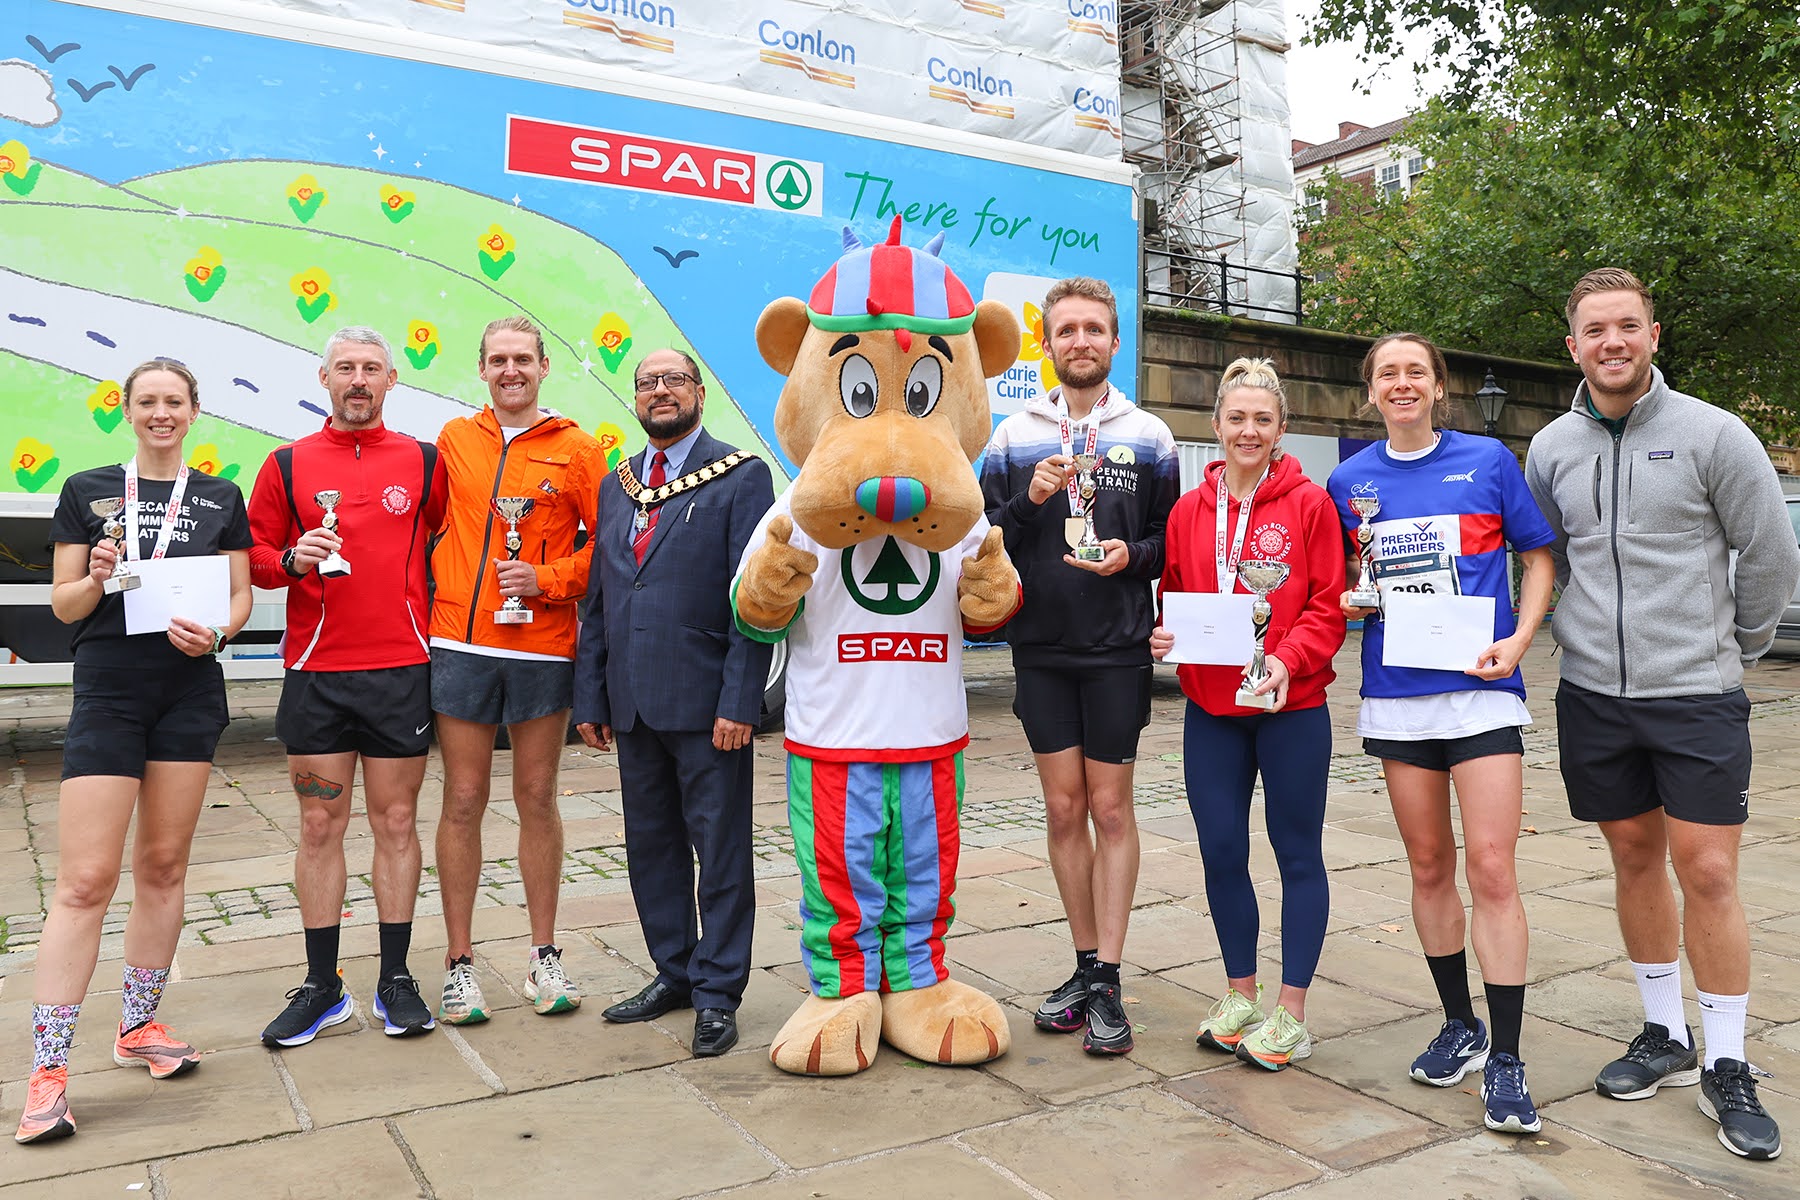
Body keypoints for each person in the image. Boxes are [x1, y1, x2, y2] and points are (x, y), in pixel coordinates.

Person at [1526, 268, 1800, 1161]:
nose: (1612, 342)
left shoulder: (1715, 434)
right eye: (1595, 329)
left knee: (1710, 871)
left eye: (1628, 327)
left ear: (1653, 335)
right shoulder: (1552, 448)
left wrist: (1739, 648)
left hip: (1697, 695)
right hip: (1595, 695)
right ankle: (1664, 1035)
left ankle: (1726, 1060)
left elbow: (1767, 553)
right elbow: (1546, 555)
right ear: (1573, 345)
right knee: (1634, 857)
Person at [16, 359, 253, 1145]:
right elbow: (63, 602)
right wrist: (98, 574)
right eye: (147, 401)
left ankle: (138, 1027)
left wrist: (218, 632)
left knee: (163, 866)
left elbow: (240, 594)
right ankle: (48, 1071)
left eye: (174, 402)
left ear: (194, 411)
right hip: (111, 686)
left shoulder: (220, 496)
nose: (161, 413)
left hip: (188, 686)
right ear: (126, 410)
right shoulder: (87, 489)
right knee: (85, 879)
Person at [1326, 332, 1555, 1134]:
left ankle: (1509, 1059)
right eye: (1387, 373)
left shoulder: (1488, 459)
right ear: (1372, 389)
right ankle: (1461, 1024)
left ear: (1437, 385)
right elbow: (1342, 581)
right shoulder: (1349, 479)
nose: (1401, 384)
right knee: (1429, 864)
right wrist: (1352, 602)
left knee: (1492, 868)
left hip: (1481, 694)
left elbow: (1539, 558)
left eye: (1414, 372)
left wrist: (1522, 640)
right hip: (1397, 698)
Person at [979, 276, 1179, 1056]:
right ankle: (1085, 963)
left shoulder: (1151, 434)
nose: (1082, 342)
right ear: (1048, 343)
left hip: (1118, 648)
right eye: (1067, 331)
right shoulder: (1011, 436)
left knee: (1112, 810)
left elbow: (1172, 538)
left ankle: (1111, 980)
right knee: (1063, 812)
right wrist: (1028, 500)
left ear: (1114, 341)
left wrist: (1135, 557)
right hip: (1041, 646)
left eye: (1095, 329)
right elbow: (985, 536)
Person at [247, 326, 447, 1047]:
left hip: (400, 671)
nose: (358, 380)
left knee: (396, 824)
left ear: (392, 380)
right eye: (345, 369)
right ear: (324, 378)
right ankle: (321, 985)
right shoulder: (286, 463)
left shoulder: (425, 462)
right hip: (316, 676)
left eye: (371, 368)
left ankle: (395, 978)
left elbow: (446, 546)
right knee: (318, 825)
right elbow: (257, 557)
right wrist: (293, 559)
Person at [573, 349, 774, 1057]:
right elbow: (600, 597)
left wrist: (741, 701)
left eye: (674, 380)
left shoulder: (741, 476)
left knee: (718, 854)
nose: (660, 391)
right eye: (647, 382)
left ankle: (719, 992)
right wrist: (590, 692)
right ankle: (675, 970)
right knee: (650, 849)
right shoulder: (617, 484)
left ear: (698, 391)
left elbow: (756, 601)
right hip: (631, 702)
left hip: (707, 705)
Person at [1148, 358, 1346, 1071]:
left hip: (1291, 706)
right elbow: (1175, 597)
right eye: (1238, 418)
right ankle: (1240, 995)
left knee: (1297, 854)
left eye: (1263, 419)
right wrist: (1164, 635)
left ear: (1281, 428)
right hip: (1211, 707)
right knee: (1222, 849)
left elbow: (1328, 603)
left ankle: (1291, 1012)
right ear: (1217, 426)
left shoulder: (1310, 505)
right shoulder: (1186, 512)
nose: (1249, 431)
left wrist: (1287, 659)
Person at [429, 317, 603, 1025]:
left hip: (542, 645)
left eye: (523, 359)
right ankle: (459, 963)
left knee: (537, 796)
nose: (511, 370)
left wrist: (547, 578)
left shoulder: (579, 449)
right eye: (498, 359)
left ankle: (543, 956)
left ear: (543, 367)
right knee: (463, 799)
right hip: (461, 643)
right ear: (481, 369)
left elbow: (610, 550)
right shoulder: (452, 442)